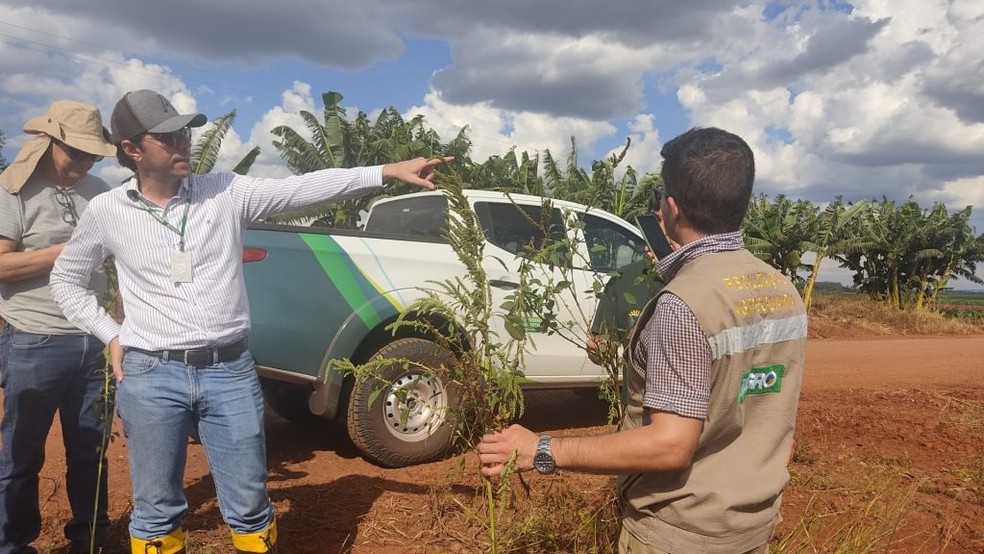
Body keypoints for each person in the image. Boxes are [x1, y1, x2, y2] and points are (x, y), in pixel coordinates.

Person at [48, 89, 451, 554]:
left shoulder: (225, 192)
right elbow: (67, 280)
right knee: (156, 509)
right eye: (167, 137)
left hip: (230, 372)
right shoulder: (107, 211)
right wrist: (111, 333)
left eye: (185, 132)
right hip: (151, 374)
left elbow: (301, 189)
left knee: (249, 505)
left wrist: (383, 172)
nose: (183, 142)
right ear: (132, 150)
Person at [478, 127, 808, 554]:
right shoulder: (782, 288)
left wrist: (542, 449)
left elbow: (670, 445)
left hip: (681, 531)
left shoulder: (684, 304)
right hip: (752, 524)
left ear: (670, 208)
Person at [0, 101, 117, 554]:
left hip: (93, 342)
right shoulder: (14, 192)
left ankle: (90, 540)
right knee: (22, 454)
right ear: (52, 143)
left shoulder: (100, 191)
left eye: (92, 156)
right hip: (34, 339)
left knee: (91, 451)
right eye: (77, 154)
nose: (85, 163)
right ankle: (12, 543)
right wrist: (65, 251)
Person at [587, 190, 667, 366]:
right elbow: (603, 349)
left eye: (671, 221)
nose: (662, 230)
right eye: (656, 221)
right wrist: (598, 351)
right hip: (635, 393)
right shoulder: (623, 280)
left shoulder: (700, 279)